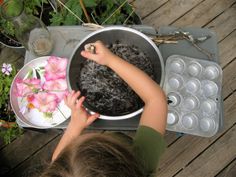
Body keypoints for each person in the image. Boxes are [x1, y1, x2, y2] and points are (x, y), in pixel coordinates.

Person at [40, 41, 167, 177]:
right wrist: (110, 59)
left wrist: (74, 126)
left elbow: (57, 161)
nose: (75, 139)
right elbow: (156, 99)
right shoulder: (143, 163)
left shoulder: (61, 172)